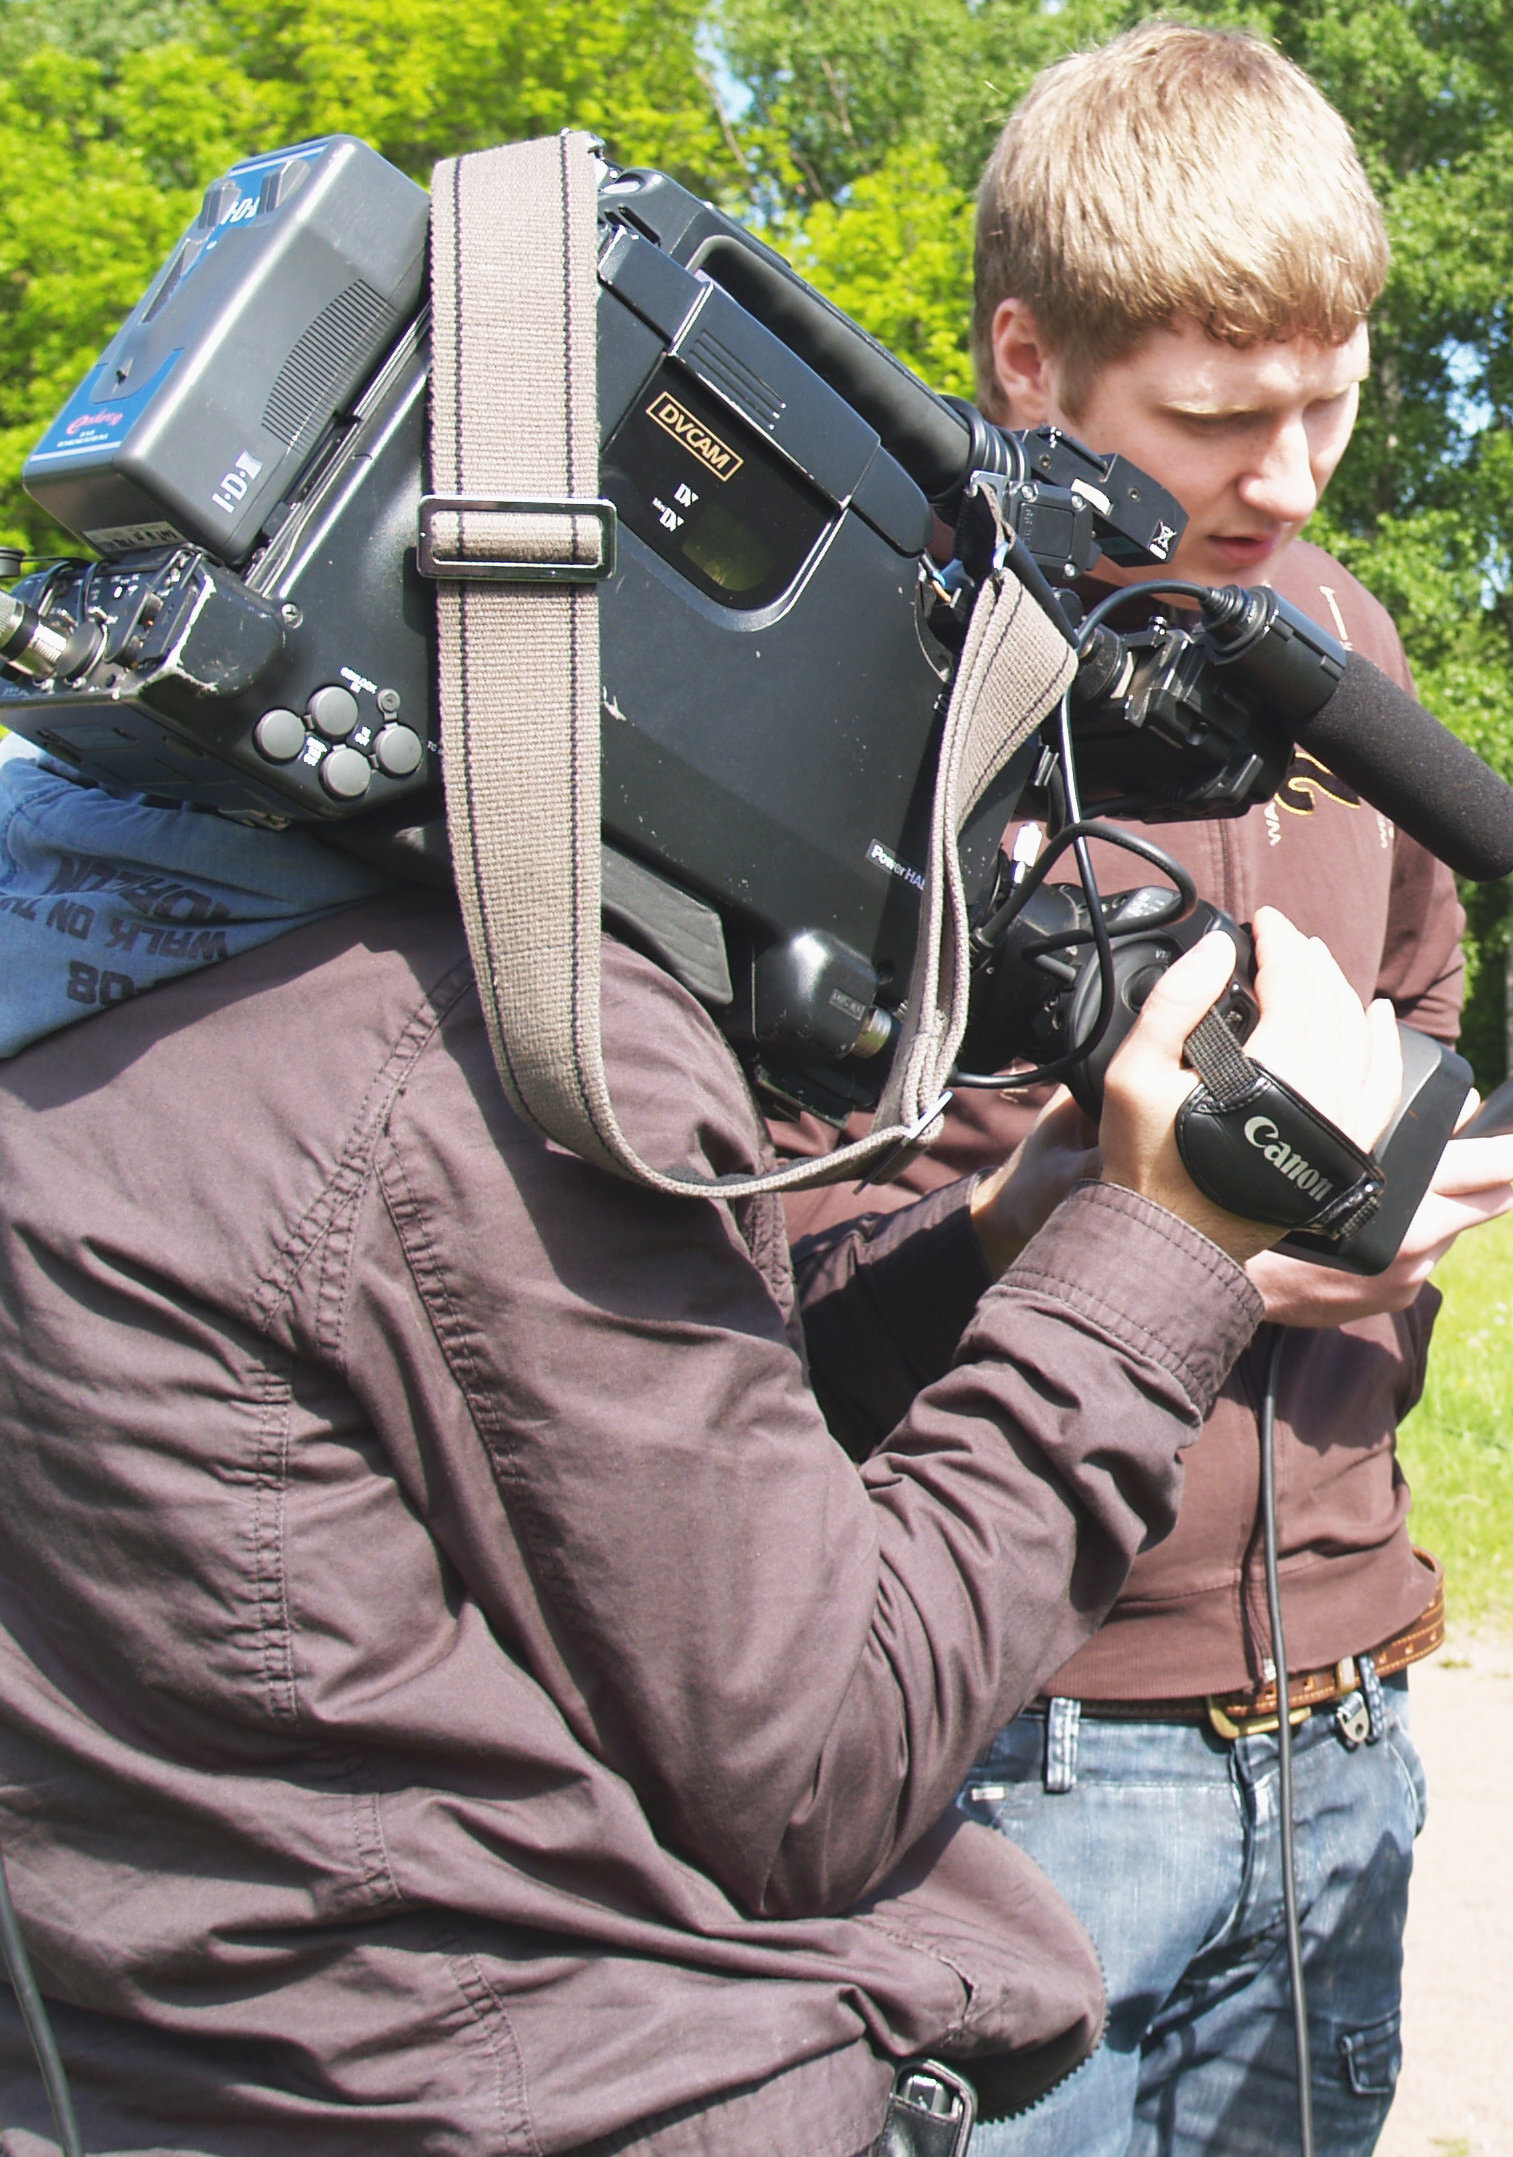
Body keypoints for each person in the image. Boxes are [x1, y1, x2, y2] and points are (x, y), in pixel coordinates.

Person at [0, 713, 1396, 2153]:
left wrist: (1005, 1248)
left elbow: (620, 1465)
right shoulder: (506, 1043)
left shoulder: (88, 892)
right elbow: (817, 1770)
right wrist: (1169, 1246)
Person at [783, 21, 1513, 2156]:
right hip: (996, 1746)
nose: (1294, 476)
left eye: (1336, 395)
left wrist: (1394, 1206)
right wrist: (1114, 1234)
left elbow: (1416, 1012)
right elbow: (728, 1322)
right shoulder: (837, 687)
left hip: (1339, 1716)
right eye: (1221, 417)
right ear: (1027, 365)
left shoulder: (1340, 638)